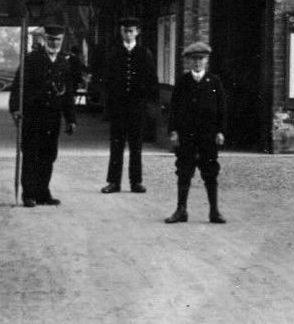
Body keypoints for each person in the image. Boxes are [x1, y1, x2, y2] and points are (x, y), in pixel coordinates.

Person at [8, 20, 79, 208]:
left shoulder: (64, 63)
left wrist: (70, 118)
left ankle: (43, 193)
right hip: (32, 117)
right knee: (31, 155)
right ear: (44, 39)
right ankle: (28, 194)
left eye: (58, 40)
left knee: (48, 156)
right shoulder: (31, 59)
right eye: (51, 39)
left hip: (53, 118)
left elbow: (68, 93)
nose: (54, 43)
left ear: (62, 41)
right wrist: (15, 109)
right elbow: (17, 87)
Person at [165, 41, 228, 225]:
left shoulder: (214, 82)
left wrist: (221, 131)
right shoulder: (183, 82)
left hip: (208, 136)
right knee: (184, 171)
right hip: (187, 136)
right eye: (194, 59)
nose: (197, 63)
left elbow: (222, 108)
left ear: (207, 60)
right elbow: (174, 108)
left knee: (210, 172)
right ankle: (181, 210)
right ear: (189, 62)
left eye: (201, 59)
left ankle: (214, 211)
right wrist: (174, 131)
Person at [97, 16, 158, 194]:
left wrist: (148, 104)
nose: (128, 34)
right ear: (121, 32)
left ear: (137, 32)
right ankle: (114, 182)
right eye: (125, 30)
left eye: (131, 31)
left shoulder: (145, 54)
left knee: (136, 146)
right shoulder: (113, 54)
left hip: (137, 108)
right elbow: (106, 81)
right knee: (116, 145)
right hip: (118, 108)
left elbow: (152, 80)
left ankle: (136, 182)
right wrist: (109, 104)